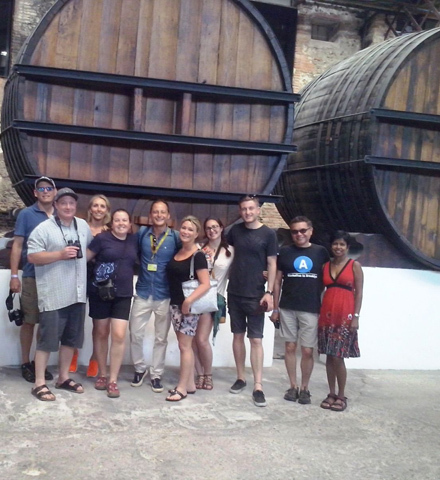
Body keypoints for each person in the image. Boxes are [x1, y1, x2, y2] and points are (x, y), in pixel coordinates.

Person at [27, 188, 93, 401]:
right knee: (47, 340)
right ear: (55, 205)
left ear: (76, 206)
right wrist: (60, 254)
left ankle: (63, 377)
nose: (68, 207)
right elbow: (32, 257)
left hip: (78, 293)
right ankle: (39, 383)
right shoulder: (43, 229)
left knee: (70, 339)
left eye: (71, 203)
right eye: (63, 203)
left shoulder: (82, 226)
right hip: (54, 293)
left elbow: (90, 250)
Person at [271, 216, 330, 405]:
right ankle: (293, 386)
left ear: (310, 231)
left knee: (307, 350)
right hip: (288, 307)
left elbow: (326, 281)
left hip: (310, 308)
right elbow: (278, 281)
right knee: (289, 347)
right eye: (295, 231)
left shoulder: (321, 252)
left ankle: (305, 388)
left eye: (303, 230)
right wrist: (275, 307)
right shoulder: (285, 252)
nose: (299, 234)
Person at [226, 195, 278, 407]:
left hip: (256, 294)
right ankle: (241, 377)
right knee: (237, 336)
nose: (247, 212)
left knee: (256, 339)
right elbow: (225, 254)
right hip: (235, 292)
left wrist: (270, 292)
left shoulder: (269, 234)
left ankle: (258, 385)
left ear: (258, 210)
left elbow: (272, 263)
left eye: (251, 208)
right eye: (244, 209)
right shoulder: (235, 232)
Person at [129, 200, 181, 393]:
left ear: (168, 216)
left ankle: (157, 373)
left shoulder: (175, 237)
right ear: (151, 215)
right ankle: (139, 368)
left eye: (163, 212)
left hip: (164, 294)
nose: (159, 215)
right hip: (142, 292)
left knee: (161, 338)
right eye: (155, 212)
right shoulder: (142, 234)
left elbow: (187, 254)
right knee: (135, 333)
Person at [9, 176, 57, 383]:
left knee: (46, 323)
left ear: (55, 191)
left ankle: (39, 363)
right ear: (35, 193)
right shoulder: (27, 215)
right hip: (32, 276)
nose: (45, 191)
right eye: (41, 189)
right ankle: (25, 362)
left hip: (55, 279)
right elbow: (17, 246)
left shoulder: (62, 214)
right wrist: (13, 275)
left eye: (49, 188)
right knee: (29, 321)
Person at [87, 209, 138, 398]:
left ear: (129, 224)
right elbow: (85, 257)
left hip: (123, 294)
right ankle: (102, 373)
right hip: (100, 292)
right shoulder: (102, 239)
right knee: (101, 333)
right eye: (117, 220)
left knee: (118, 335)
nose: (121, 223)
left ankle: (113, 379)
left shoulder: (134, 241)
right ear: (112, 222)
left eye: (125, 220)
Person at [165, 216, 210, 402]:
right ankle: (190, 383)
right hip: (175, 305)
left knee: (185, 347)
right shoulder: (178, 251)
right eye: (183, 228)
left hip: (189, 308)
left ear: (196, 234)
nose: (185, 232)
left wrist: (188, 301)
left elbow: (205, 284)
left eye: (190, 229)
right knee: (186, 345)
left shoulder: (198, 255)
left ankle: (182, 388)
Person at [318, 231, 363, 412]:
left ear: (348, 247)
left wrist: (356, 317)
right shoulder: (325, 266)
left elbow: (359, 293)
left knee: (338, 356)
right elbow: (321, 290)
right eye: (335, 244)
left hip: (345, 316)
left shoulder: (354, 266)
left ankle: (342, 394)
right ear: (331, 246)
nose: (338, 247)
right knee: (328, 355)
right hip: (327, 314)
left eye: (342, 244)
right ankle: (331, 393)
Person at [69, 194, 111, 377]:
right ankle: (73, 353)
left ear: (107, 210)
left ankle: (95, 358)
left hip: (101, 282)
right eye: (95, 205)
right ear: (90, 208)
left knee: (100, 326)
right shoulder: (80, 228)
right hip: (78, 278)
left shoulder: (110, 232)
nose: (98, 209)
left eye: (102, 206)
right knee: (75, 320)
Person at [193, 217, 234, 391]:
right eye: (208, 228)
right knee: (193, 340)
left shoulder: (231, 251)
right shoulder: (199, 249)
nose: (212, 230)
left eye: (215, 227)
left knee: (202, 339)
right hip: (196, 296)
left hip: (214, 298)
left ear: (222, 228)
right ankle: (199, 374)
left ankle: (208, 374)